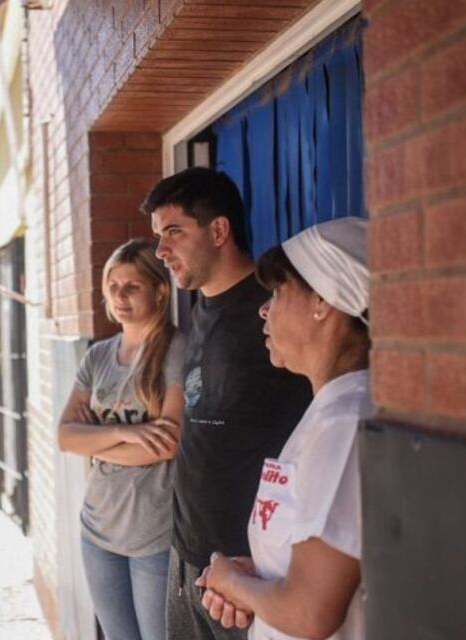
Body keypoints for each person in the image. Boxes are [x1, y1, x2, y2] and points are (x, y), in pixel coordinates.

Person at [142, 168, 313, 640]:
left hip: (250, 571)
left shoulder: (275, 307)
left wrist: (267, 561)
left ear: (219, 230)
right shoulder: (201, 307)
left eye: (173, 232)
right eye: (158, 236)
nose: (160, 251)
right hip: (189, 558)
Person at [197, 217, 371, 640]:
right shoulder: (328, 409)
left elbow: (311, 612)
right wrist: (258, 578)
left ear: (323, 303)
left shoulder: (345, 421)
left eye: (277, 292)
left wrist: (232, 582)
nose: (263, 307)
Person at [57, 238, 187, 640]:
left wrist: (93, 438)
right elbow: (65, 437)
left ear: (159, 290)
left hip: (153, 533)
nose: (119, 296)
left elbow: (167, 445)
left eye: (131, 286)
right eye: (113, 287)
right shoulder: (98, 356)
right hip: (97, 529)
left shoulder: (176, 349)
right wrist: (122, 432)